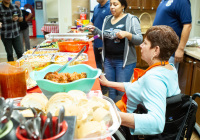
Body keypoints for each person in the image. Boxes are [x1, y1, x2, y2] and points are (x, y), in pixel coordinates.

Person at [99, 25, 180, 135]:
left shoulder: (153, 79)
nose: (141, 45)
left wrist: (112, 115)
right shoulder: (169, 68)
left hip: (129, 128)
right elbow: (137, 87)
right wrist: (108, 83)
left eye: (145, 43)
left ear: (156, 50)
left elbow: (157, 123)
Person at [90, 0, 143, 101]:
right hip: (108, 61)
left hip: (124, 62)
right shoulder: (107, 19)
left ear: (123, 6)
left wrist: (127, 34)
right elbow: (104, 36)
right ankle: (114, 112)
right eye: (110, 5)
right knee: (111, 89)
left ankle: (121, 115)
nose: (112, 7)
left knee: (121, 91)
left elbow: (139, 40)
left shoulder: (131, 19)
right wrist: (95, 31)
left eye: (115, 4)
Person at [153, 0, 192, 70]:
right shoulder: (163, 1)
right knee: (157, 77)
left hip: (169, 52)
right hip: (158, 49)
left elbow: (187, 26)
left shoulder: (182, 1)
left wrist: (180, 49)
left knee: (166, 78)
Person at [81, 0, 111, 70]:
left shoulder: (111, 6)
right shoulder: (96, 7)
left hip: (106, 42)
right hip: (97, 40)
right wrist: (83, 28)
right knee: (97, 64)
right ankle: (99, 79)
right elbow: (92, 22)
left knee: (107, 66)